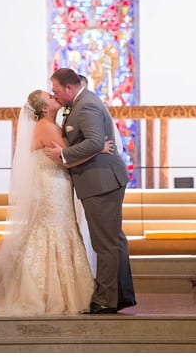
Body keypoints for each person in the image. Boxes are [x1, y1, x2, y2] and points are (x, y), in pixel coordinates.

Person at [0, 90, 115, 315]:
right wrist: (99, 148)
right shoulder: (46, 128)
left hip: (57, 185)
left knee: (55, 230)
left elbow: (66, 155)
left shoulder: (52, 125)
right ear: (45, 108)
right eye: (50, 96)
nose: (54, 96)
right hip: (52, 187)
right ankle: (50, 293)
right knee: (52, 231)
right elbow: (68, 158)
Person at [45, 67, 136, 314]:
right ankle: (120, 295)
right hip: (101, 180)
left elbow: (95, 141)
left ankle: (106, 299)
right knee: (113, 240)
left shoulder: (86, 105)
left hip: (102, 182)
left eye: (56, 91)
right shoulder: (81, 103)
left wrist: (62, 154)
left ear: (69, 88)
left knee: (104, 243)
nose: (55, 96)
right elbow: (95, 143)